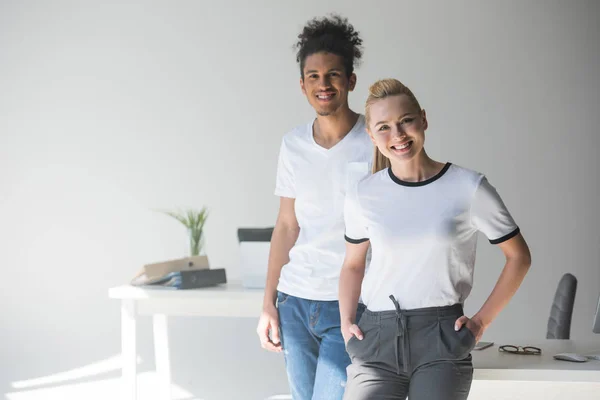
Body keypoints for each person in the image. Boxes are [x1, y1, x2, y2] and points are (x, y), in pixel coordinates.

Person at [339, 78, 532, 400]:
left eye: (406, 121)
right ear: (371, 136)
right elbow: (353, 265)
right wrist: (346, 323)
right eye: (384, 127)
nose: (398, 135)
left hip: (441, 339)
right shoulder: (363, 194)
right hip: (376, 338)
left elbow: (519, 257)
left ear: (423, 120)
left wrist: (481, 323)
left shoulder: (468, 187)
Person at [255, 15, 373, 400]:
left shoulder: (376, 142)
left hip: (350, 306)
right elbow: (286, 226)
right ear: (303, 84)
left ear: (350, 81)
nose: (324, 84)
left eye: (333, 74)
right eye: (314, 76)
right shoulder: (292, 145)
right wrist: (268, 303)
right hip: (295, 302)